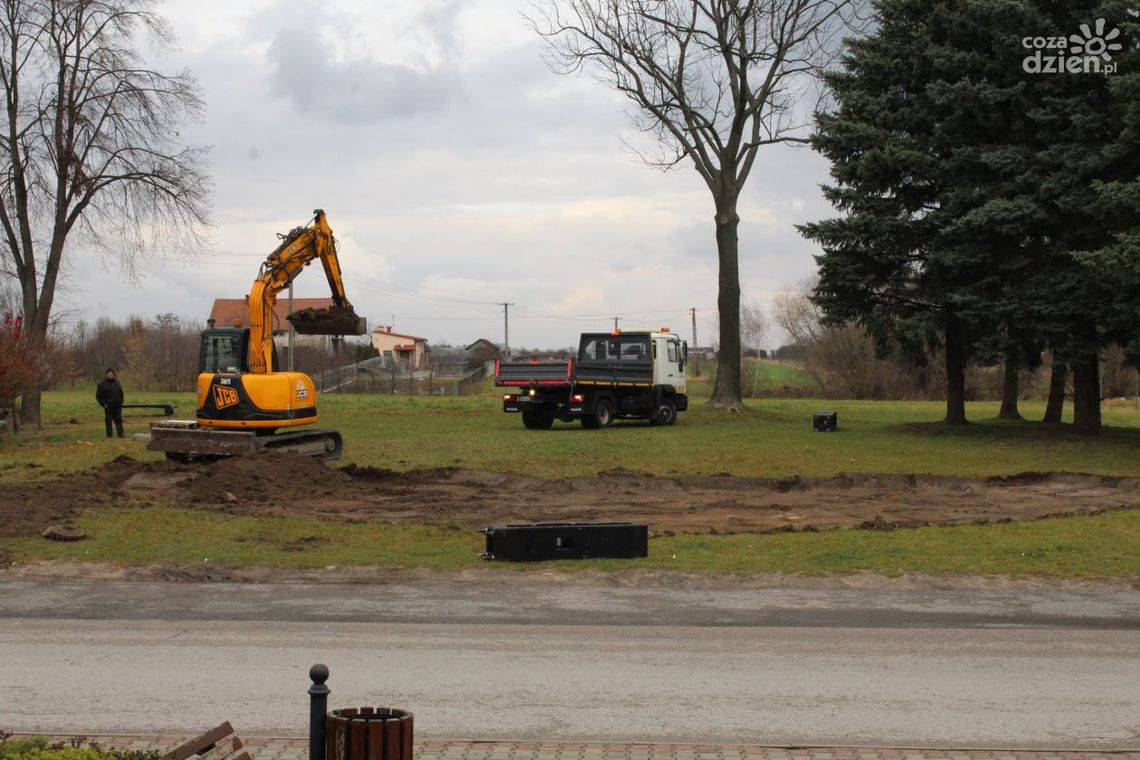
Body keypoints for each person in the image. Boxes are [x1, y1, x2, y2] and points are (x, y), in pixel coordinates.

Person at [96, 368, 125, 438]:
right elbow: (98, 396)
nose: (110, 375)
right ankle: (109, 435)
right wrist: (103, 404)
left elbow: (121, 393)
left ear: (114, 375)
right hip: (108, 406)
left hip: (117, 405)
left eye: (111, 374)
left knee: (119, 420)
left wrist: (121, 402)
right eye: (109, 374)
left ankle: (120, 434)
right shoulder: (102, 384)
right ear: (106, 375)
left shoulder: (117, 383)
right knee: (109, 421)